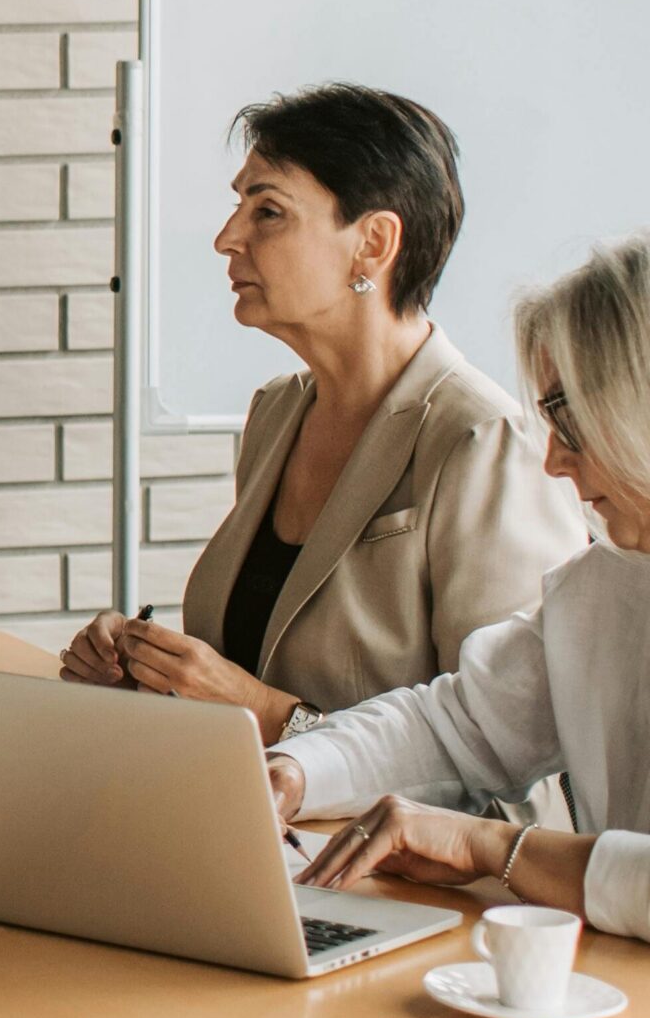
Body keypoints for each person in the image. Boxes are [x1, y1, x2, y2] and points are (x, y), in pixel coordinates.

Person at [63, 85, 580, 745]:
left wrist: (265, 711)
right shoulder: (276, 413)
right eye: (238, 207)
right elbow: (239, 681)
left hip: (369, 850)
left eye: (269, 211)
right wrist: (147, 680)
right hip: (247, 836)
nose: (227, 238)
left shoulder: (485, 442)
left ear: (373, 243)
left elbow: (518, 769)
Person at [280, 236, 650, 938]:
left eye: (567, 418)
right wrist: (292, 770)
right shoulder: (599, 587)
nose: (554, 461)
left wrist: (490, 848)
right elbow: (453, 726)